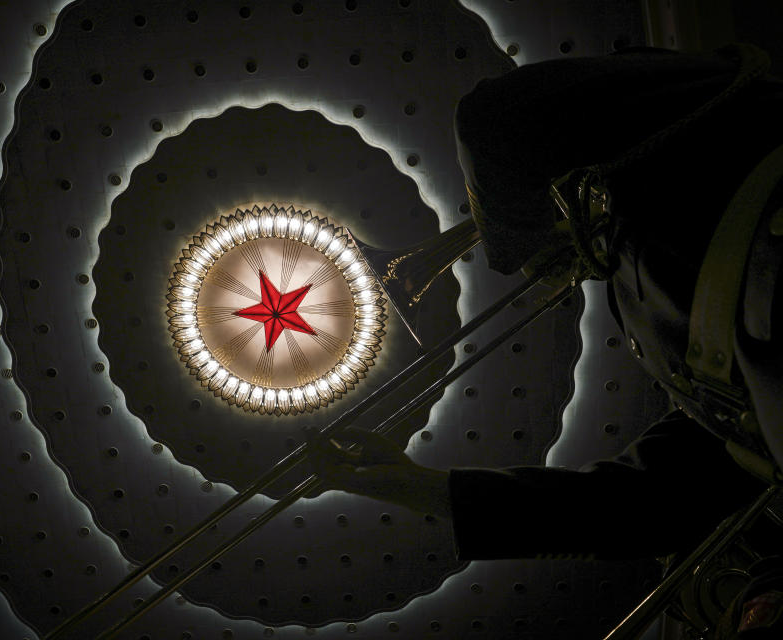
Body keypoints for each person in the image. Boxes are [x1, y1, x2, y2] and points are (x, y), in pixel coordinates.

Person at [307, 44, 783, 636]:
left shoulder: (707, 192)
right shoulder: (664, 324)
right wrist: (421, 488)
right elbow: (644, 504)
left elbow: (498, 122)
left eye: (563, 205)